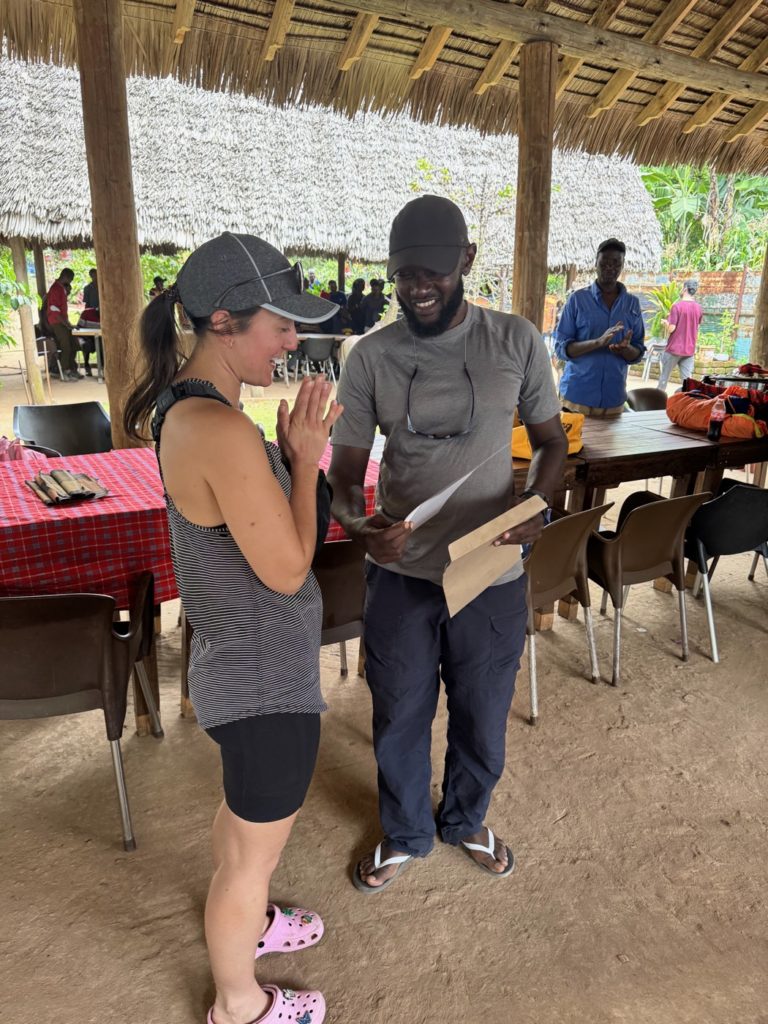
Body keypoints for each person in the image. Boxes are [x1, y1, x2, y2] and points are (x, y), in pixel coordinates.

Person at [123, 232, 340, 1024]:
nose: (293, 341)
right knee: (252, 857)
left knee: (242, 823)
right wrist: (307, 462)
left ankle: (248, 928)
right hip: (262, 684)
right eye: (279, 324)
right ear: (222, 320)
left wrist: (285, 456)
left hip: (236, 665)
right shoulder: (215, 429)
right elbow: (288, 570)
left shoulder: (193, 409)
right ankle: (238, 1002)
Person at [328, 195, 568, 892]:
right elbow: (344, 474)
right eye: (403, 276)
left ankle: (464, 820)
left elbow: (551, 443)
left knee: (483, 712)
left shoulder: (515, 341)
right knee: (398, 711)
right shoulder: (370, 357)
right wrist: (359, 526)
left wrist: (539, 505)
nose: (416, 289)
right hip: (403, 575)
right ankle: (405, 832)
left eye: (431, 273)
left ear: (465, 262)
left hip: (490, 570)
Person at [554, 238, 645, 416]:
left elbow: (638, 352)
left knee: (611, 446)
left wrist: (626, 349)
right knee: (574, 445)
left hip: (614, 399)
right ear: (596, 263)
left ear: (622, 265)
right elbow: (561, 349)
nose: (610, 268)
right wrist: (597, 342)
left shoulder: (632, 304)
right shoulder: (577, 300)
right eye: (604, 262)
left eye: (616, 263)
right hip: (577, 398)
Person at [657, 279, 703, 390]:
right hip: (689, 351)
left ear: (685, 289)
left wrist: (665, 323)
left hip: (674, 349)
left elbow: (672, 329)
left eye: (682, 287)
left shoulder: (677, 307)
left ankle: (656, 402)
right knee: (687, 383)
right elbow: (697, 327)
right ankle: (687, 404)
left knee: (664, 379)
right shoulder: (698, 308)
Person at [43, 268, 81, 381]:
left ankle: (72, 369)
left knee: (74, 344)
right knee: (66, 346)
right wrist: (66, 323)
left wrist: (68, 323)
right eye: (71, 280)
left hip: (62, 322)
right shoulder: (55, 289)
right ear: (66, 277)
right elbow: (54, 309)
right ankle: (64, 371)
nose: (70, 282)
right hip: (57, 322)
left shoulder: (60, 288)